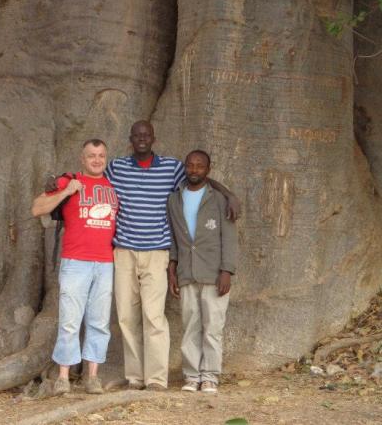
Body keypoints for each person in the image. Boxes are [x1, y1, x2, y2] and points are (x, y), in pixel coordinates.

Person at [105, 121, 240, 391]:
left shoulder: (172, 168)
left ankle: (156, 378)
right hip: (124, 251)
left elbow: (200, 179)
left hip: (157, 252)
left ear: (154, 138)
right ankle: (135, 377)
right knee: (126, 317)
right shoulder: (117, 168)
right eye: (137, 135)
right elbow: (93, 179)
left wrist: (229, 194)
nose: (142, 139)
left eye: (147, 135)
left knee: (154, 316)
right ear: (131, 139)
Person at [31, 139, 119, 395]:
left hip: (105, 262)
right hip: (76, 261)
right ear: (82, 158)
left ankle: (92, 377)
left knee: (99, 321)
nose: (96, 160)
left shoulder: (113, 186)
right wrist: (66, 192)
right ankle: (63, 377)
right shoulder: (69, 182)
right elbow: (37, 208)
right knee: (70, 321)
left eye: (101, 155)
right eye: (91, 155)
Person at [166, 150, 236, 394]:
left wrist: (226, 270)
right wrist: (172, 269)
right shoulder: (174, 200)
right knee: (190, 326)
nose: (194, 170)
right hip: (186, 272)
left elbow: (229, 238)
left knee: (213, 327)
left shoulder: (220, 200)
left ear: (208, 169)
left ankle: (210, 376)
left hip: (214, 273)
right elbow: (174, 238)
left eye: (200, 166)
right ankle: (192, 375)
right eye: (190, 165)